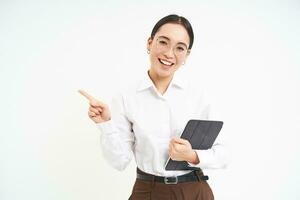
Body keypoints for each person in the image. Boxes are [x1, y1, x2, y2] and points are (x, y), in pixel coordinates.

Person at [79, 14, 229, 200]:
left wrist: (191, 155)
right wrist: (105, 124)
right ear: (150, 43)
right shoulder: (127, 97)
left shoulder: (199, 96)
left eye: (180, 48)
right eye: (163, 42)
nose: (169, 53)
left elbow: (223, 154)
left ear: (187, 55)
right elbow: (119, 162)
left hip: (195, 190)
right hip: (148, 191)